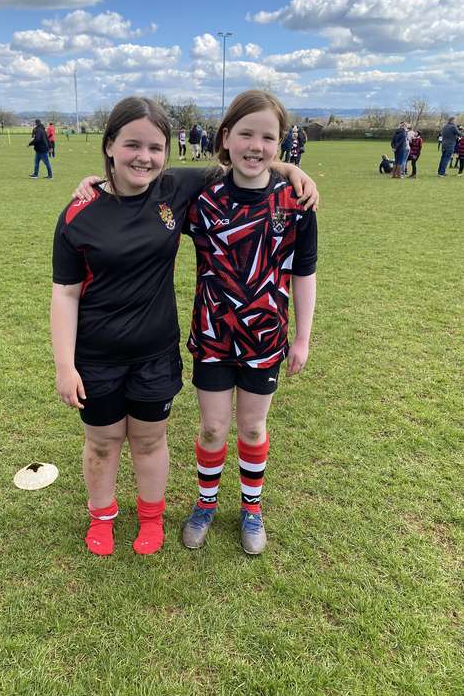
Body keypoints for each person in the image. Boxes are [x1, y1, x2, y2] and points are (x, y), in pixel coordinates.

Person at [55, 96, 320, 558]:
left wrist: (293, 171)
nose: (145, 156)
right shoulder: (170, 199)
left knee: (229, 432)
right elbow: (71, 283)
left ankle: (237, 512)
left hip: (233, 344)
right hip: (189, 342)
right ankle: (169, 509)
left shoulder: (273, 201)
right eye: (132, 144)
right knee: (183, 432)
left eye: (155, 147)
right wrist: (95, 183)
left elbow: (299, 260)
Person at [180, 90, 317, 555]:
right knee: (214, 428)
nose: (256, 146)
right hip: (213, 336)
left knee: (253, 430)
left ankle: (252, 510)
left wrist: (302, 338)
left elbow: (305, 272)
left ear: (280, 143)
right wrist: (93, 181)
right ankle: (205, 503)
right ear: (225, 137)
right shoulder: (201, 196)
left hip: (265, 339)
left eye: (268, 137)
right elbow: (142, 183)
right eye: (246, 134)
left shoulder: (296, 201)